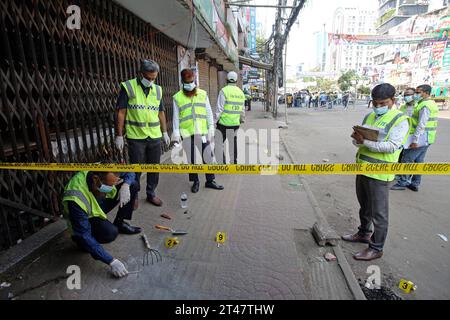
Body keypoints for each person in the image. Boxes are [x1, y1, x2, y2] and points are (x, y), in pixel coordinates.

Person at [342, 83, 409, 261]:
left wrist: (364, 142)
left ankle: (376, 248)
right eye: (375, 103)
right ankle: (364, 233)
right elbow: (357, 142)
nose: (378, 107)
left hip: (380, 173)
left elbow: (392, 146)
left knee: (379, 214)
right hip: (362, 168)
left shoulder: (400, 120)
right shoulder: (369, 116)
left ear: (392, 101)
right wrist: (357, 140)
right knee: (364, 206)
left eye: (383, 103)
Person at [63, 171, 140, 278]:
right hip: (85, 217)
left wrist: (126, 185)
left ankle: (120, 223)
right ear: (95, 179)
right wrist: (111, 261)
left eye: (113, 184)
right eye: (108, 186)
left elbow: (130, 171)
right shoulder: (75, 199)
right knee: (109, 233)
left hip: (97, 203)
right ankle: (85, 245)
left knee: (133, 184)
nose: (112, 188)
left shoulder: (105, 168)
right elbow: (83, 234)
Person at [115, 60, 170, 207]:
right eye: (148, 78)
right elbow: (121, 112)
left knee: (154, 167)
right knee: (136, 168)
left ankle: (151, 193)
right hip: (136, 137)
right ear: (141, 74)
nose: (151, 81)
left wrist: (164, 132)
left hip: (154, 136)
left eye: (154, 78)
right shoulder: (129, 87)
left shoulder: (157, 90)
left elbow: (161, 112)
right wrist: (119, 135)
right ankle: (134, 195)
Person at [172, 69, 224, 193]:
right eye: (187, 82)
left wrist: (211, 127)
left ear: (194, 80)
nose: (190, 84)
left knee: (208, 156)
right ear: (182, 82)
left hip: (202, 132)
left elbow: (208, 112)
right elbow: (175, 117)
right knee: (191, 159)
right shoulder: (177, 97)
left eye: (192, 81)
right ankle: (195, 181)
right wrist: (176, 134)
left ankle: (210, 181)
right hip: (186, 133)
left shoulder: (202, 94)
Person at [391, 84, 439, 192]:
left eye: (418, 93)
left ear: (426, 93)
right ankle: (415, 183)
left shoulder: (425, 105)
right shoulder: (430, 104)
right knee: (419, 161)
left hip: (421, 138)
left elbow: (421, 124)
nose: (416, 95)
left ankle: (403, 182)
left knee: (406, 159)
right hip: (428, 138)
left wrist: (415, 140)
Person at [216, 71, 246, 165]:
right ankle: (234, 163)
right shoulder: (241, 93)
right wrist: (242, 119)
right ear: (236, 80)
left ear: (226, 80)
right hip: (235, 124)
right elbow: (242, 109)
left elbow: (219, 108)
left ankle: (222, 163)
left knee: (218, 143)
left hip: (223, 123)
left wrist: (214, 121)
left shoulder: (224, 91)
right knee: (233, 143)